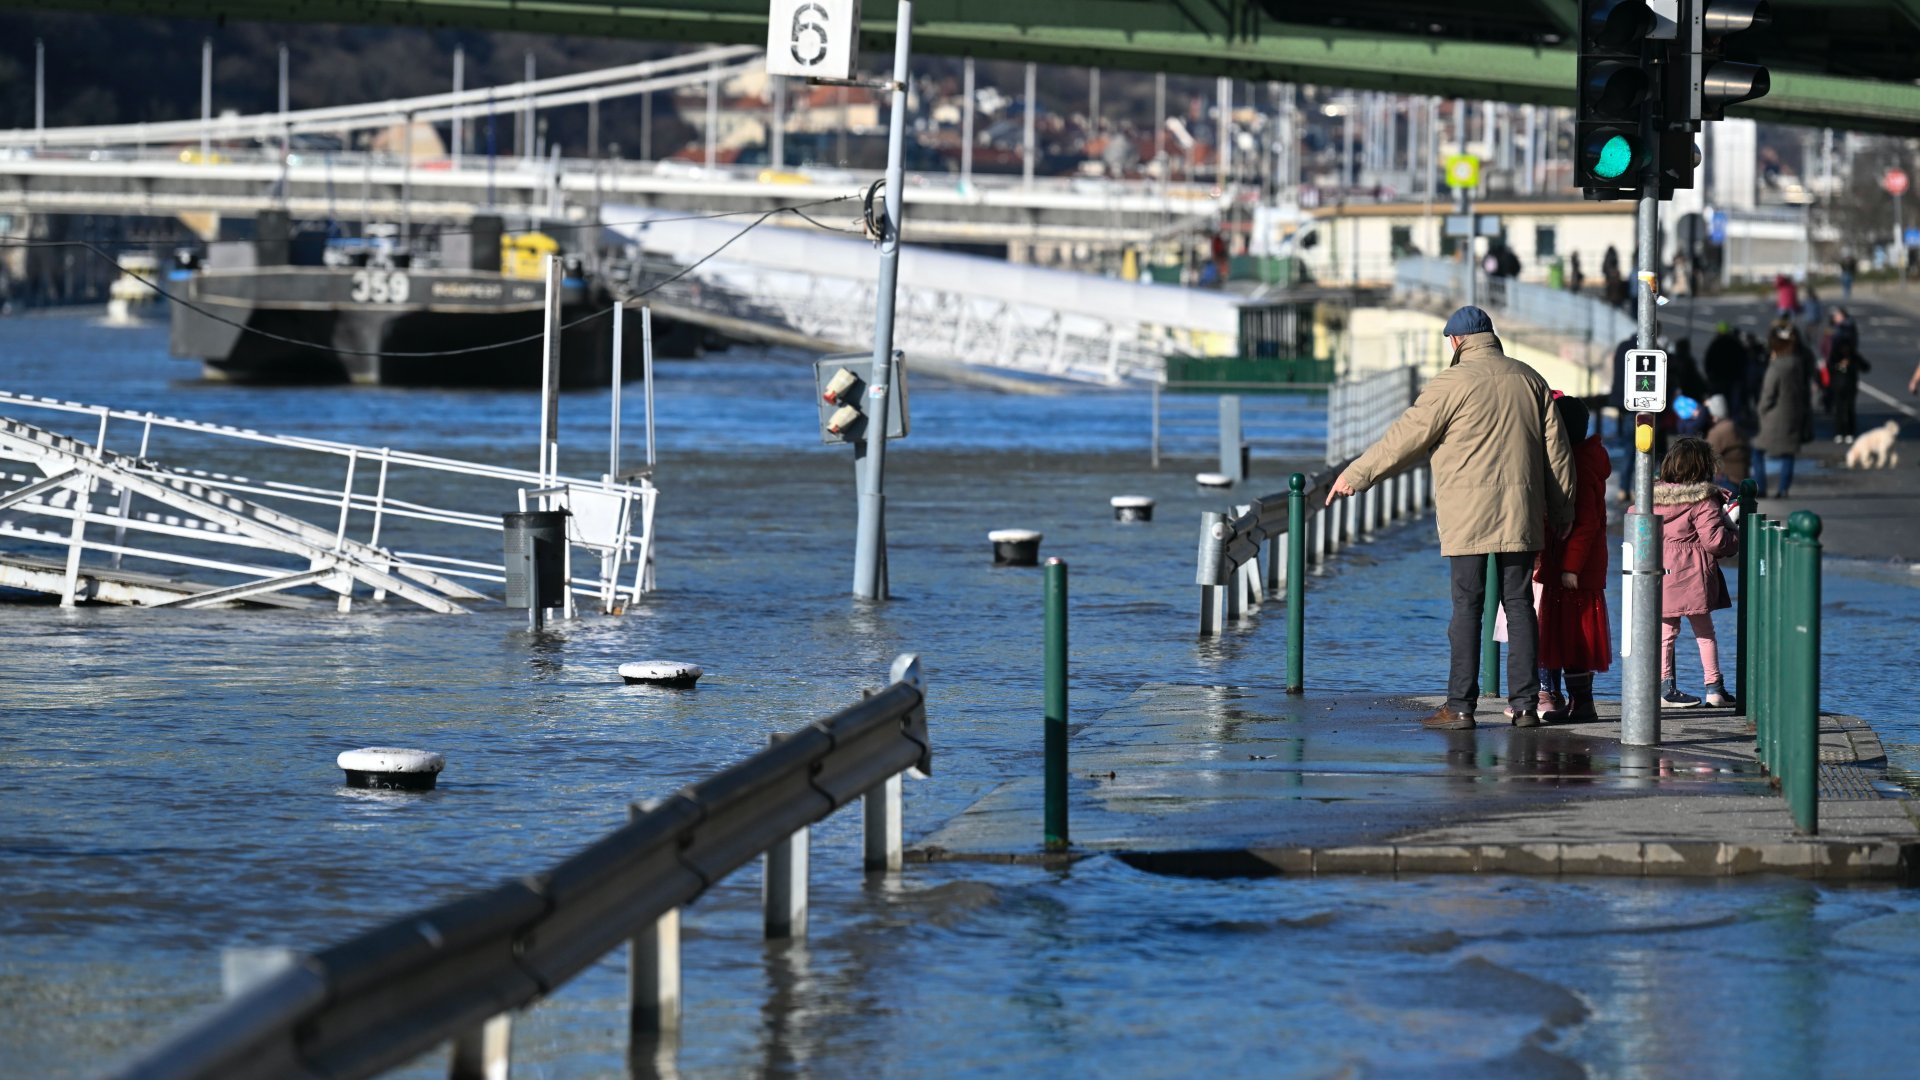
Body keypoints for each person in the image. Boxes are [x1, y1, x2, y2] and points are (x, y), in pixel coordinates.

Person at [1327, 306, 1576, 730]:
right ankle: (1526, 706)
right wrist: (1563, 511)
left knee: (1467, 608)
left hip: (1468, 516)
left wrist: (1356, 475)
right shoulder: (1530, 379)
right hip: (1522, 513)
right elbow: (1558, 455)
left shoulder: (1450, 384)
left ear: (1456, 341)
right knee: (1519, 606)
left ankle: (1460, 707)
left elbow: (1404, 438)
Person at [1632, 438, 1739, 708]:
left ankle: (1665, 687)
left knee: (1666, 633)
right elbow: (1715, 541)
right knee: (1705, 633)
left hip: (1658, 572)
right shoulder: (1702, 499)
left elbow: (1634, 520)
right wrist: (1737, 538)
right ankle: (1714, 688)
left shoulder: (1651, 495)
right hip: (1693, 574)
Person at [1536, 394, 1610, 724]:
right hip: (1575, 567)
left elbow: (1585, 522)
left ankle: (1582, 704)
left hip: (1571, 571)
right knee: (1574, 640)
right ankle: (1580, 703)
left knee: (1572, 639)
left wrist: (1570, 567)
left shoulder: (1575, 466)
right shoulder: (1588, 458)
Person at [1753, 320, 1813, 498]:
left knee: (1757, 451)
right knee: (1788, 453)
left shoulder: (1777, 367)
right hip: (1794, 413)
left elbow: (1768, 393)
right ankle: (1783, 488)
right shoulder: (1798, 363)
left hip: (1774, 416)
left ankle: (1762, 487)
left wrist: (1762, 410)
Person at [1826, 307, 1871, 442]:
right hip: (1849, 381)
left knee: (1840, 407)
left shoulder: (1836, 353)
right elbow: (1866, 367)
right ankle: (1848, 432)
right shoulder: (1852, 355)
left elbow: (1830, 365)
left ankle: (1840, 432)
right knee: (1848, 407)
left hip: (1839, 382)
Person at [1704, 394, 1751, 488]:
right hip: (1742, 478)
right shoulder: (1735, 427)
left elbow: (1706, 456)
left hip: (1726, 481)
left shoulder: (1717, 432)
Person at [1703, 321, 1748, 420]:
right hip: (1731, 379)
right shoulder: (1735, 344)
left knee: (1716, 401)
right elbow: (1743, 360)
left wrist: (1709, 375)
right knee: (1730, 402)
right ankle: (1728, 421)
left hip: (1717, 378)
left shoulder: (1715, 344)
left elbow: (1708, 361)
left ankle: (1716, 419)